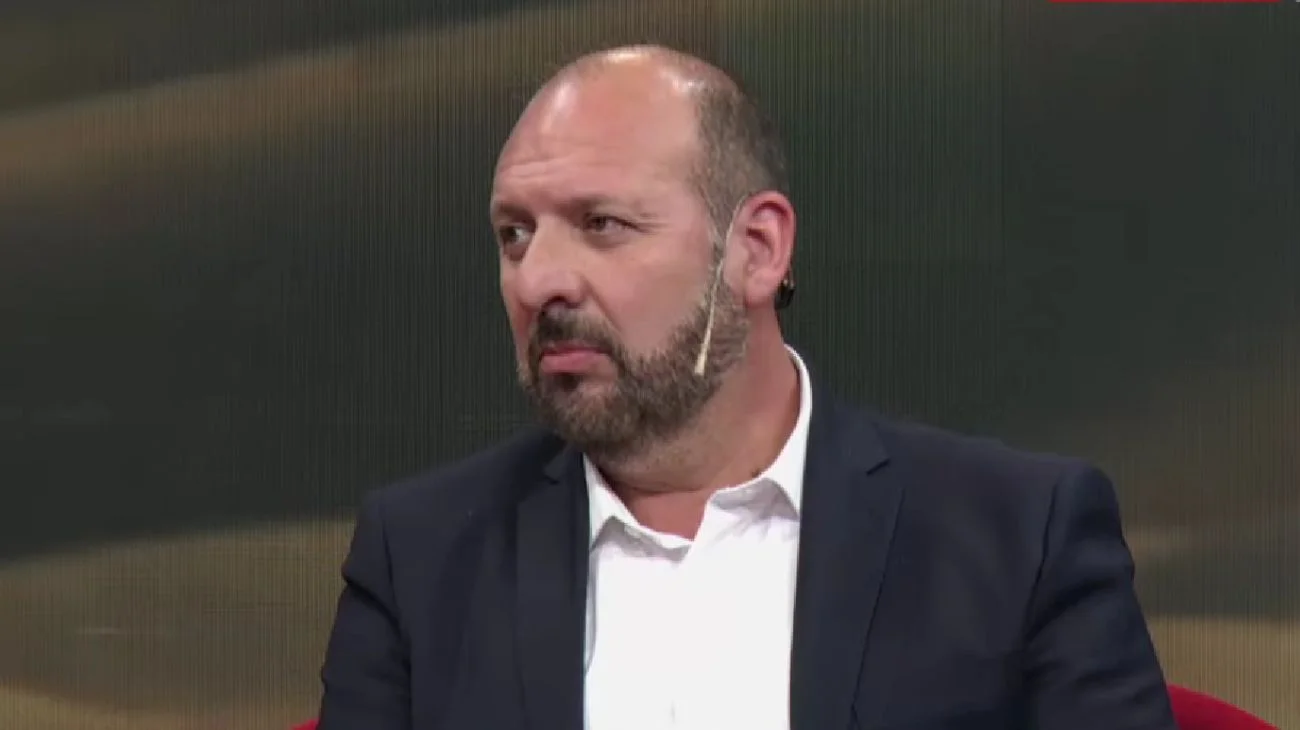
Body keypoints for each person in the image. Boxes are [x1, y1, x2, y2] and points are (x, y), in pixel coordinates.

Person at [317, 45, 1177, 730]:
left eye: (601, 224)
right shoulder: (420, 558)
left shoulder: (1019, 538)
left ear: (757, 250)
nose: (539, 280)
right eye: (514, 235)